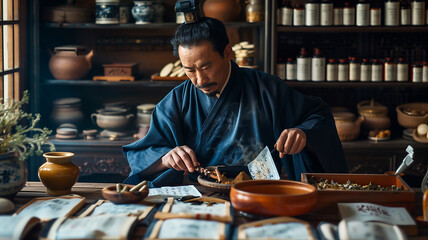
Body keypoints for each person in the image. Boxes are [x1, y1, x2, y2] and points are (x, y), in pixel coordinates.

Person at [123, 17, 348, 187]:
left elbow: (318, 117)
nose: (199, 80)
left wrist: (302, 132)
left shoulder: (267, 89)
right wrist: (166, 158)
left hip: (263, 190)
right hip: (200, 194)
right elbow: (142, 159)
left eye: (206, 67)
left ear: (228, 53)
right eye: (189, 70)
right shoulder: (177, 101)